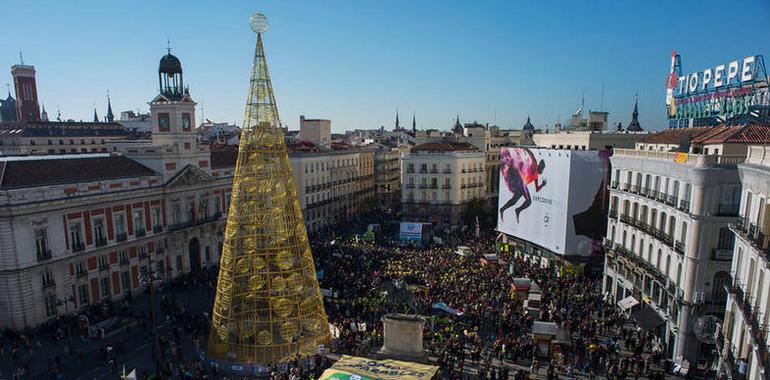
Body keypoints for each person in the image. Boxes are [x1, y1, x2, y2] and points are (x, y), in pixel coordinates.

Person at [499, 148, 547, 223]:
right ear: (540, 166)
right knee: (518, 201)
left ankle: (514, 210)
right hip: (520, 183)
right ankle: (507, 210)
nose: (542, 171)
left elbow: (537, 189)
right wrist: (523, 148)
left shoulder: (536, 176)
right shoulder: (534, 166)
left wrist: (542, 185)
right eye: (543, 169)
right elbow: (532, 155)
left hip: (523, 185)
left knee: (521, 201)